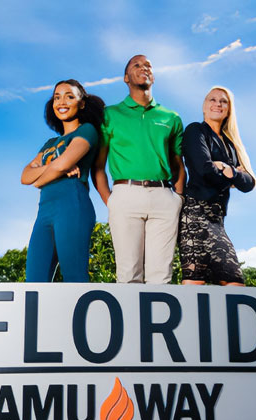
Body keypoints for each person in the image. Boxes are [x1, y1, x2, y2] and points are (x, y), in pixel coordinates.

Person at [92, 54, 185, 284]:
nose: (144, 68)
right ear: (126, 77)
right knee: (128, 275)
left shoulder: (171, 117)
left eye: (148, 66)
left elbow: (178, 164)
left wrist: (178, 198)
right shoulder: (109, 114)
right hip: (125, 194)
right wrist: (110, 200)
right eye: (137, 65)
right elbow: (98, 166)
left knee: (161, 277)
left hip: (164, 197)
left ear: (153, 76)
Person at [21, 79, 104, 282]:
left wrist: (40, 179)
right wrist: (57, 167)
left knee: (74, 277)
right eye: (57, 97)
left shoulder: (87, 131)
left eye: (69, 96)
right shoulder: (50, 143)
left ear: (81, 103)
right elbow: (25, 176)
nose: (61, 102)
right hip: (44, 212)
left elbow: (47, 173)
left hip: (72, 204)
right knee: (34, 281)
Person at [178, 86, 256, 286]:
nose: (218, 104)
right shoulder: (195, 131)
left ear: (229, 109)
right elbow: (204, 171)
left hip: (217, 218)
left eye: (223, 101)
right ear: (204, 107)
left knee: (209, 283)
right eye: (212, 100)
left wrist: (226, 169)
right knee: (225, 282)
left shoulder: (232, 144)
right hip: (195, 214)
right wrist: (234, 175)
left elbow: (249, 184)